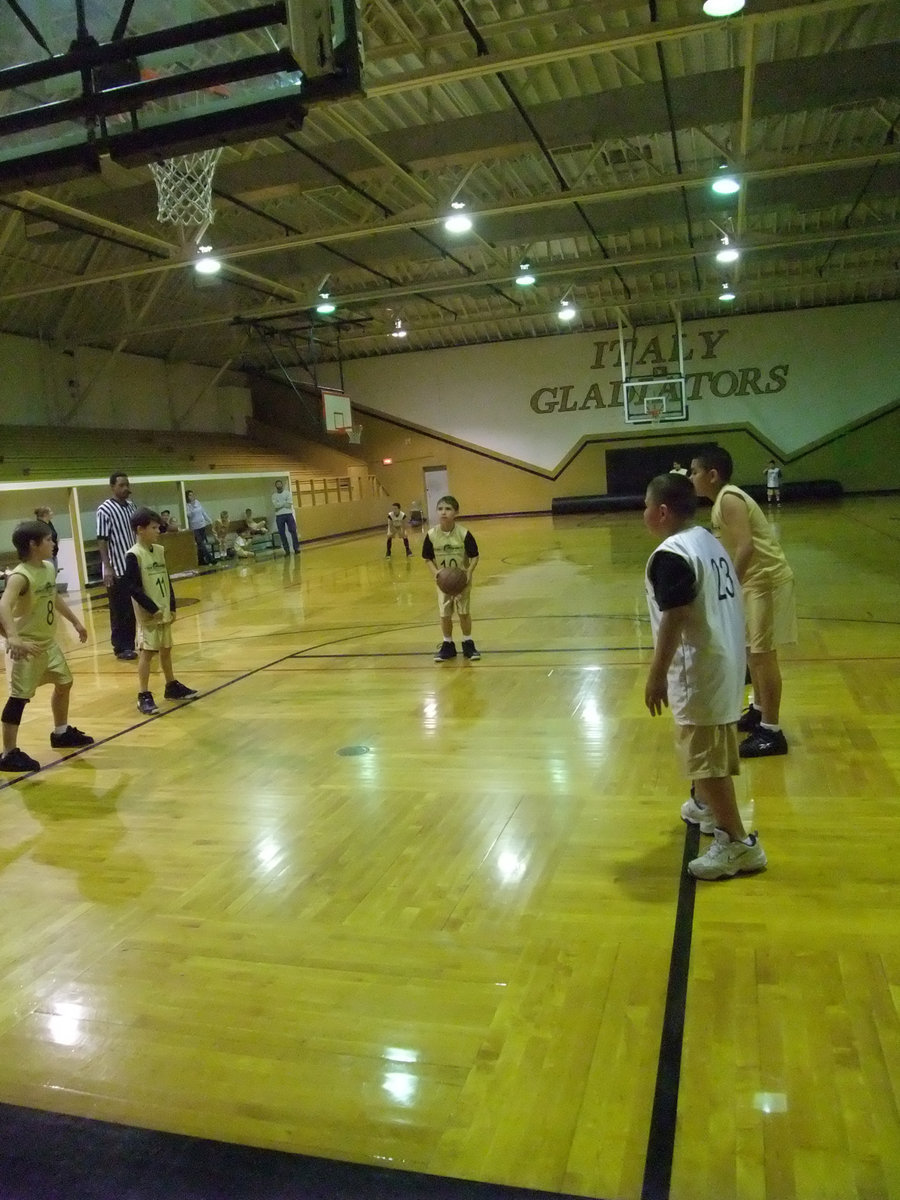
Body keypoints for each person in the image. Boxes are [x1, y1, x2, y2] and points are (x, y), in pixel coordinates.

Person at [642, 473, 766, 880]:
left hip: (701, 668)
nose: (643, 512)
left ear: (661, 512)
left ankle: (737, 843)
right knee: (709, 749)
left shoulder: (671, 554)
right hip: (724, 658)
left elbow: (675, 617)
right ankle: (704, 804)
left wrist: (656, 674)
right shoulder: (708, 541)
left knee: (707, 758)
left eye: (646, 506)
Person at [690, 447, 797, 757]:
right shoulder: (719, 502)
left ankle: (772, 732)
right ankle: (759, 711)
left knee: (763, 655)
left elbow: (746, 547)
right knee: (752, 651)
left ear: (712, 475)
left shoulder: (729, 499)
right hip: (753, 583)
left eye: (695, 472)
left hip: (765, 582)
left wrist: (729, 587)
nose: (691, 477)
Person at [0, 520, 93, 773]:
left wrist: (75, 621)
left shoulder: (48, 568)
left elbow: (53, 596)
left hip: (47, 644)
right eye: (50, 540)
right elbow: (3, 606)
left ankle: (61, 733)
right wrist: (13, 638)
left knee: (65, 682)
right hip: (26, 647)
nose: (54, 543)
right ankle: (8, 754)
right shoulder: (20, 576)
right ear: (33, 544)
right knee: (19, 699)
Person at [123, 508, 198, 716]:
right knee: (147, 653)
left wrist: (172, 606)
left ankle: (171, 685)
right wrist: (152, 608)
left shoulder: (159, 550)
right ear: (140, 529)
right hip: (149, 614)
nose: (158, 531)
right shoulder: (133, 555)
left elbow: (166, 579)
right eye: (154, 527)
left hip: (163, 609)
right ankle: (144, 694)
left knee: (166, 648)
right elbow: (133, 587)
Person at [422, 495, 480, 661]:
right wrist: (437, 574)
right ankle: (448, 645)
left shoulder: (464, 533)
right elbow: (427, 558)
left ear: (456, 512)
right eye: (440, 509)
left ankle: (468, 643)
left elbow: (475, 556)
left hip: (462, 580)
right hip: (443, 581)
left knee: (464, 612)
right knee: (444, 614)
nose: (443, 512)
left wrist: (469, 572)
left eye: (448, 509)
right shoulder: (432, 534)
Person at [96, 471, 138, 660]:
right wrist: (107, 567)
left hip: (132, 566)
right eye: (121, 485)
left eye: (127, 484)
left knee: (133, 609)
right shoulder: (104, 509)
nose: (126, 488)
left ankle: (132, 643)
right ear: (112, 487)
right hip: (116, 567)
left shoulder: (131, 507)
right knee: (119, 609)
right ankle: (120, 647)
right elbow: (102, 540)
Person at [184, 489, 215, 566]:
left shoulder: (197, 502)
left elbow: (203, 512)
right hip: (194, 527)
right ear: (187, 497)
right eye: (190, 495)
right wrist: (192, 507)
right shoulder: (187, 505)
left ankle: (201, 561)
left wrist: (210, 521)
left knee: (201, 544)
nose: (192, 496)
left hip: (202, 525)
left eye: (192, 494)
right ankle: (211, 559)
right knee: (201, 544)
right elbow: (189, 515)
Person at [271, 480, 300, 555]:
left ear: (282, 485)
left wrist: (280, 504)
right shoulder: (274, 495)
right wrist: (284, 502)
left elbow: (289, 504)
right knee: (282, 533)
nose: (279, 485)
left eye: (280, 484)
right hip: (279, 516)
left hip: (288, 514)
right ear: (276, 486)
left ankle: (296, 548)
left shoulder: (287, 493)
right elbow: (275, 506)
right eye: (277, 484)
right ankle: (286, 550)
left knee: (293, 531)